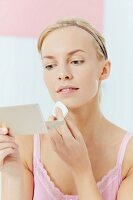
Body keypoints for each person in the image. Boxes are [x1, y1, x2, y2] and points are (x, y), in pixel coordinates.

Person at [0, 17, 133, 200]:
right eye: (50, 65)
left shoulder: (129, 156)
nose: (63, 74)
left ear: (104, 70)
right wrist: (12, 174)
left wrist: (81, 170)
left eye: (76, 61)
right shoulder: (26, 144)